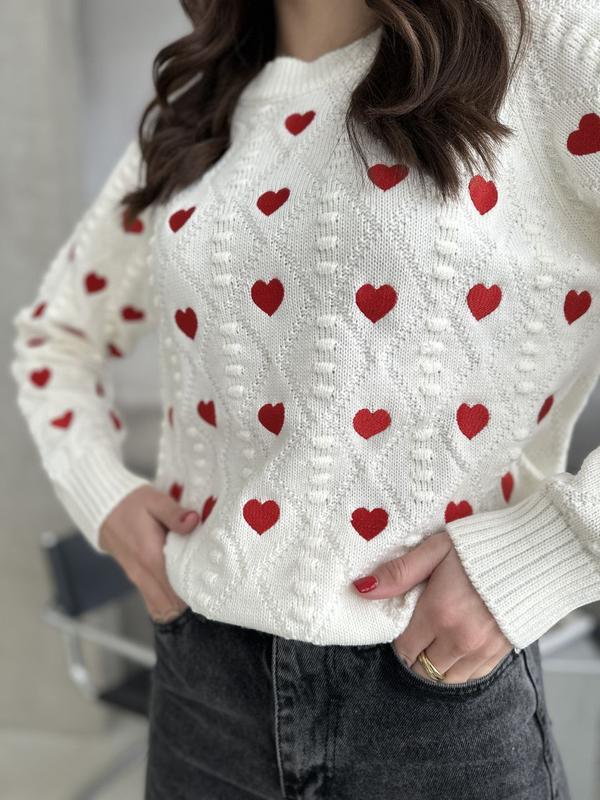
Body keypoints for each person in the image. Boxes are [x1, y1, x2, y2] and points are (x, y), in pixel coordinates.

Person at [10, 0, 599, 796]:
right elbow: (57, 336)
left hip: (435, 698)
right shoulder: (201, 104)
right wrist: (103, 496)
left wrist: (558, 547)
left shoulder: (543, 42)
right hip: (201, 688)